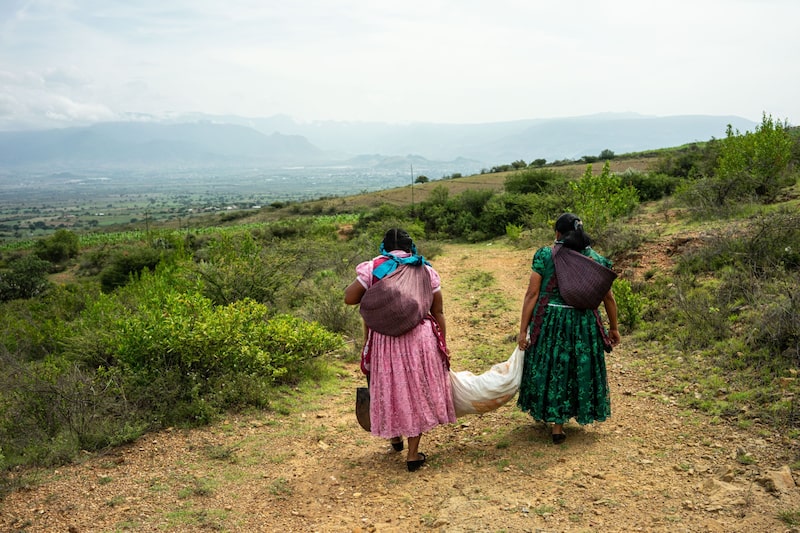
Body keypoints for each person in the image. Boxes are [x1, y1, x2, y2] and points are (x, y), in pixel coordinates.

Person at [344, 229, 455, 471]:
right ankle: (413, 455)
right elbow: (438, 311)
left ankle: (395, 438)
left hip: (385, 341)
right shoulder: (423, 269)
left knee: (389, 386)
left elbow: (349, 298)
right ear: (410, 247)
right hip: (419, 338)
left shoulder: (374, 267)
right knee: (416, 390)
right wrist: (442, 345)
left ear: (383, 246)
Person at [516, 213, 620, 444]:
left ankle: (556, 425)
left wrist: (523, 331)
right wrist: (613, 328)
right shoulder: (596, 260)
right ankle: (570, 415)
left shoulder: (546, 256)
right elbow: (608, 299)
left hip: (552, 321)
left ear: (557, 234)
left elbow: (532, 294)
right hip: (584, 323)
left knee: (555, 368)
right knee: (576, 367)